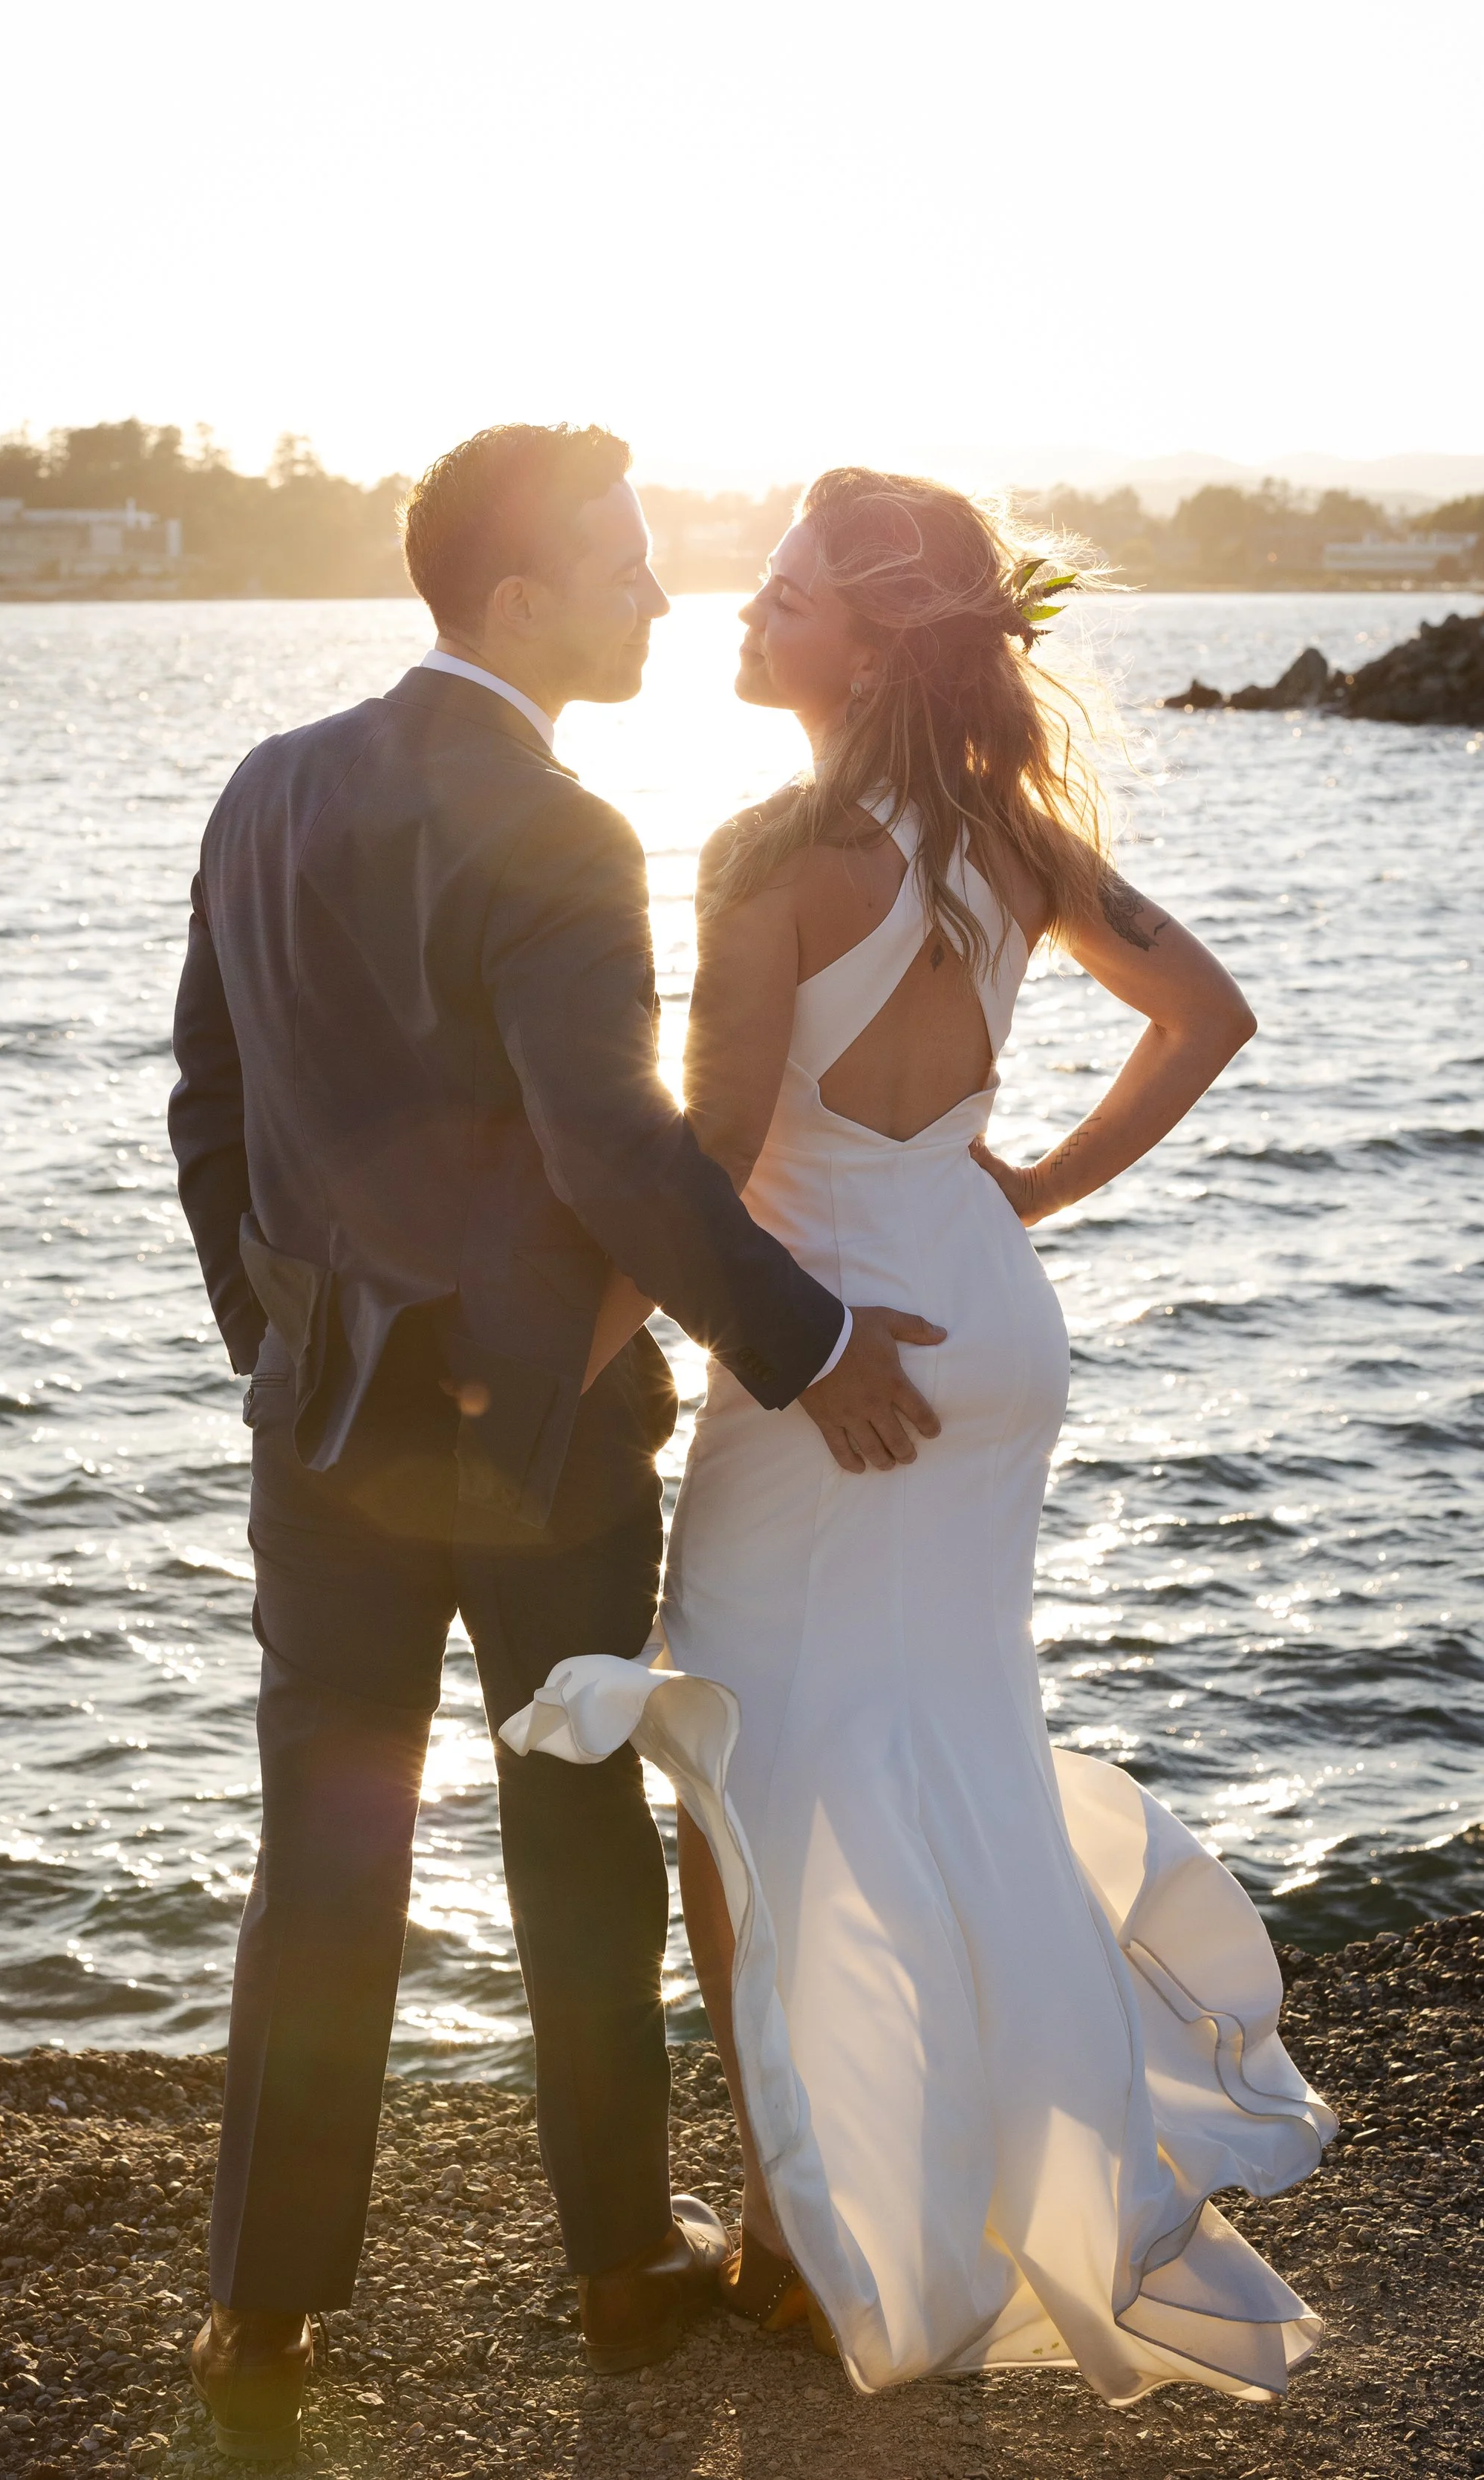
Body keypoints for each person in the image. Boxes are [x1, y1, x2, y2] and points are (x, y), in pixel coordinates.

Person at [503, 468, 1335, 2406]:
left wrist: (562, 1350)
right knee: (934, 1746)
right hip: (979, 1321)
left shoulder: (766, 849)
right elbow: (1202, 1017)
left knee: (739, 1761)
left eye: (777, 594)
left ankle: (805, 2236)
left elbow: (708, 1157)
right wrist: (1021, 1190)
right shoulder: (1006, 837)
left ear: (865, 643)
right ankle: (950, 2184)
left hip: (822, 1358)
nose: (738, 613)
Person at [166, 425, 947, 2460]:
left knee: (320, 1855)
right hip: (546, 1440)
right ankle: (621, 2271)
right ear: (510, 600)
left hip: (321, 1429)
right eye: (619, 566)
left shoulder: (265, 789)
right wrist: (810, 1340)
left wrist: (287, 1342)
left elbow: (208, 1119)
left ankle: (262, 2319)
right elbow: (614, 1152)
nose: (660, 598)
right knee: (576, 1836)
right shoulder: (564, 828)